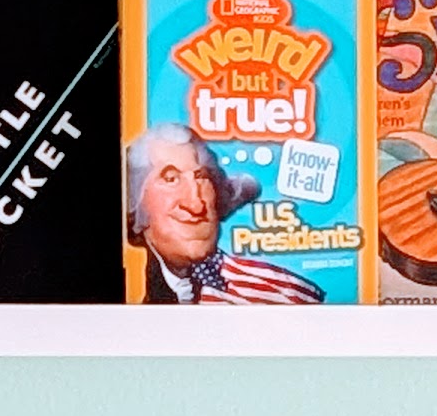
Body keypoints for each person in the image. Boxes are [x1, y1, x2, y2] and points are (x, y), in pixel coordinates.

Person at [126, 124, 323, 305]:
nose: (196, 205)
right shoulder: (133, 284)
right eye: (171, 179)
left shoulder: (279, 290)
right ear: (134, 199)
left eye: (201, 177)